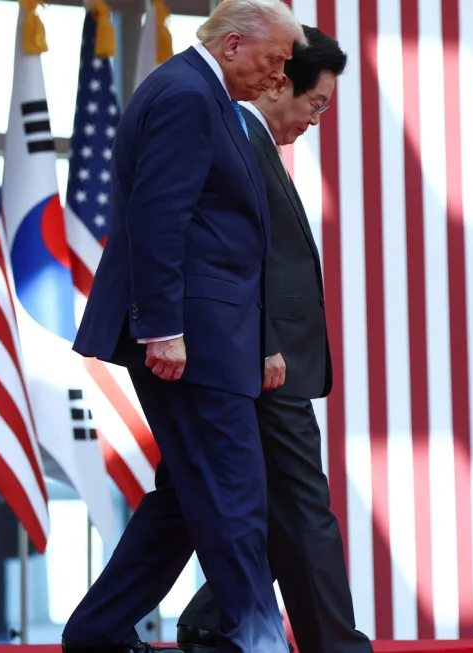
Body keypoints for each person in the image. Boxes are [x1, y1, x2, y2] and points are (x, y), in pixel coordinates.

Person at [62, 2, 306, 652]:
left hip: (215, 336)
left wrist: (260, 339)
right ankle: (258, 639)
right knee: (232, 490)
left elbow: (224, 235)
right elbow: (158, 215)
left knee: (189, 493)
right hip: (189, 339)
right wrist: (162, 328)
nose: (282, 74)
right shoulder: (185, 95)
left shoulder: (207, 96)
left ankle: (97, 631)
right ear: (231, 45)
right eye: (275, 59)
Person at [173, 25, 373, 653]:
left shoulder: (252, 142)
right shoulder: (235, 138)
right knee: (299, 503)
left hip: (256, 354)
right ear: (280, 80)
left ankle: (209, 623)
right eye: (316, 104)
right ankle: (333, 644)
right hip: (258, 357)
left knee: (223, 500)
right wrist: (262, 343)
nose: (316, 120)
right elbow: (234, 260)